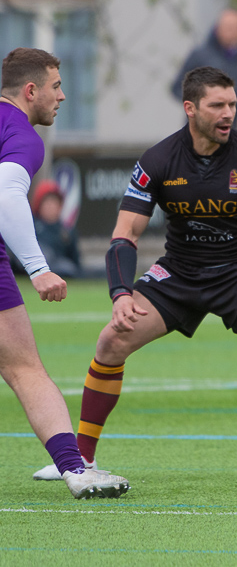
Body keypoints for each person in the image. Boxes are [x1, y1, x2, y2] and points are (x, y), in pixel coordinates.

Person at [32, 67, 237, 483]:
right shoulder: (158, 160)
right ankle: (82, 460)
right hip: (179, 272)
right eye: (217, 105)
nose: (228, 114)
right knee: (111, 341)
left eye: (233, 105)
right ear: (190, 109)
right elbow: (125, 234)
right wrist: (120, 295)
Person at [0, 47, 130, 499]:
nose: (63, 96)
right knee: (26, 369)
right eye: (56, 86)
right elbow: (6, 196)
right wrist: (38, 268)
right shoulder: (21, 134)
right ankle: (76, 470)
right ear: (30, 90)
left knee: (22, 366)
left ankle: (75, 469)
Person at [171, 9, 237, 136]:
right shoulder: (200, 56)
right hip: (200, 132)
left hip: (230, 131)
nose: (229, 31)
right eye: (225, 26)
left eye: (233, 27)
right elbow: (177, 88)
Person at [6, 180, 82, 278]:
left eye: (54, 203)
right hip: (30, 268)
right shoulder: (29, 226)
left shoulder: (67, 231)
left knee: (67, 267)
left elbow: (75, 264)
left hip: (58, 269)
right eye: (47, 203)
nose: (50, 207)